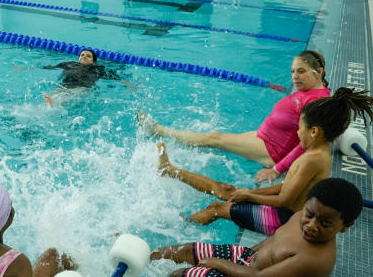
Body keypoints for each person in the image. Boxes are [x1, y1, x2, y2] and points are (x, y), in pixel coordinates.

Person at [155, 88, 373, 234]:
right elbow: (287, 187)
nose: (297, 134)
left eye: (299, 128)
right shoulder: (316, 154)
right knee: (226, 190)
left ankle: (178, 226)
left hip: (283, 221)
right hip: (285, 211)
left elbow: (284, 200)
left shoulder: (314, 159)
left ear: (314, 131)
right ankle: (169, 169)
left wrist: (250, 195)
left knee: (217, 208)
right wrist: (245, 192)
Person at [151, 178, 362, 277]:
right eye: (309, 214)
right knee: (185, 250)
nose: (311, 225)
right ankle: (146, 257)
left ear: (345, 226)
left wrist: (218, 264)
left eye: (324, 224)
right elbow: (274, 240)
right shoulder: (301, 216)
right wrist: (242, 256)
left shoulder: (315, 260)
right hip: (250, 263)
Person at [138, 50, 330, 182]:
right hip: (266, 138)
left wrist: (276, 169)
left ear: (318, 72)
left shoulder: (315, 101)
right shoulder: (316, 92)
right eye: (293, 71)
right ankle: (161, 131)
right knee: (216, 138)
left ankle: (157, 130)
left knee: (214, 138)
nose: (295, 76)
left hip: (271, 150)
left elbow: (306, 144)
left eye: (301, 71)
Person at [42, 48, 131, 104]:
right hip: (64, 86)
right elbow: (51, 67)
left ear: (93, 61)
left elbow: (115, 77)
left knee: (75, 93)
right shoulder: (69, 64)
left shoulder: (98, 69)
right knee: (56, 92)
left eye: (88, 56)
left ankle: (54, 103)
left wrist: (127, 83)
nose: (84, 57)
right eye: (82, 55)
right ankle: (51, 102)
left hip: (83, 88)